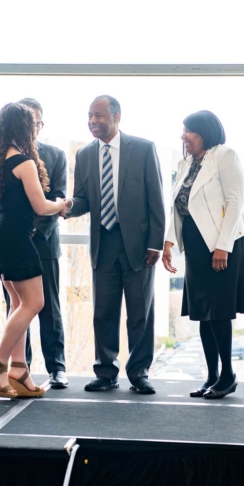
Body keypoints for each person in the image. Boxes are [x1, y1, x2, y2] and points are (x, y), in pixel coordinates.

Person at [65, 95, 165, 394]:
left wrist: (156, 243)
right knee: (103, 312)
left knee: (140, 314)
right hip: (104, 244)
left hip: (139, 246)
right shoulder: (85, 155)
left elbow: (156, 198)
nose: (92, 121)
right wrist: (67, 206)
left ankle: (139, 373)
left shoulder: (144, 149)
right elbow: (83, 199)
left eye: (98, 115)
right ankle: (106, 372)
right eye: (89, 116)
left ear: (116, 117)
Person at [162, 110, 244, 399]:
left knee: (218, 311)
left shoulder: (225, 156)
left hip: (224, 243)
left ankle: (228, 375)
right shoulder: (186, 163)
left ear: (205, 132)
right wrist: (168, 242)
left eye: (188, 131)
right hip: (195, 245)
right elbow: (179, 207)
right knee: (203, 313)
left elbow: (235, 202)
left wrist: (222, 246)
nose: (183, 136)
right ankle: (212, 376)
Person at [0, 102, 70, 398]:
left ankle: (19, 370)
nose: (35, 129)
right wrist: (62, 204)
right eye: (32, 125)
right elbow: (41, 206)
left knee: (17, 302)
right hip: (17, 238)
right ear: (24, 127)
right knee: (35, 303)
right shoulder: (24, 162)